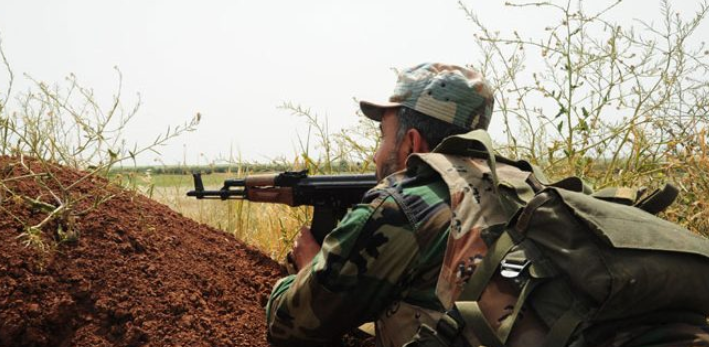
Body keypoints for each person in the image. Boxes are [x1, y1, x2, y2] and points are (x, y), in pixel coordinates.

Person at [265, 63, 709, 347]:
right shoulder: (531, 185)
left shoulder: (402, 204)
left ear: (412, 142)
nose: (378, 154)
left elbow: (292, 326)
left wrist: (307, 267)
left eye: (383, 137)